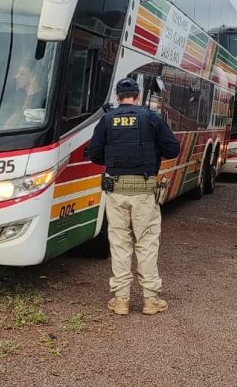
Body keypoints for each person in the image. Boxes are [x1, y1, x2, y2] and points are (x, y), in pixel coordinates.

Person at [86, 78, 181, 316]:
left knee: (119, 244)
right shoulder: (150, 118)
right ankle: (151, 300)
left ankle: (120, 300)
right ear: (137, 97)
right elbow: (173, 150)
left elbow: (94, 154)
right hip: (144, 191)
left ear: (118, 97)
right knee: (147, 244)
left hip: (115, 191)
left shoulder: (107, 120)